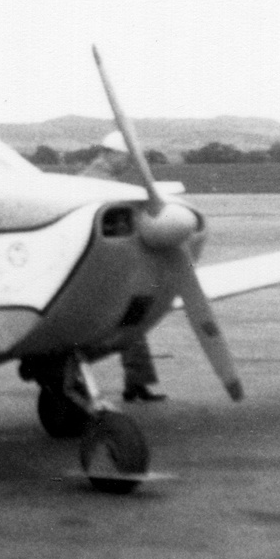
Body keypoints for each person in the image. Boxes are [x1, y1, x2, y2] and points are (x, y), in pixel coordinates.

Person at [81, 131, 166, 402]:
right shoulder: (96, 183)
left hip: (111, 268)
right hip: (98, 271)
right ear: (109, 154)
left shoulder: (103, 180)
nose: (129, 164)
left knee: (134, 317)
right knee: (129, 319)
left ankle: (136, 384)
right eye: (126, 158)